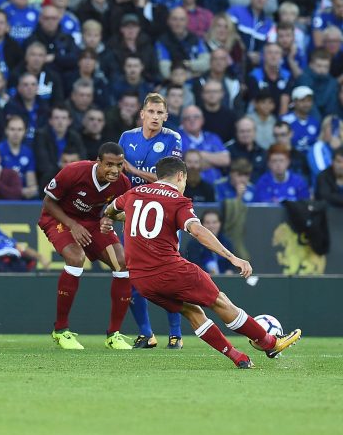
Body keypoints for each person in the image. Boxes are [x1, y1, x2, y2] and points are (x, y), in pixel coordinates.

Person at [104, 155, 302, 369]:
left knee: (192, 311)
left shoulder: (134, 193)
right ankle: (269, 342)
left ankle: (239, 357)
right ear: (181, 176)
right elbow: (197, 230)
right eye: (185, 180)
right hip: (170, 270)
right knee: (220, 302)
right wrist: (231, 256)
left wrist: (120, 218)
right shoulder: (178, 200)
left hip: (141, 281)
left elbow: (111, 210)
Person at [39, 142, 134, 350]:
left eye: (119, 165)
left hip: (91, 223)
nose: (114, 170)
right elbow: (48, 202)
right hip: (59, 220)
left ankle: (114, 335)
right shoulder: (74, 171)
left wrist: (110, 219)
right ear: (98, 162)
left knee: (122, 263)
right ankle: (61, 330)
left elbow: (118, 212)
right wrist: (72, 225)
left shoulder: (123, 183)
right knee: (75, 257)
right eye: (109, 164)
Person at [118, 92, 185, 349]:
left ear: (166, 117)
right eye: (151, 112)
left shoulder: (172, 139)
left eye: (160, 113)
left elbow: (167, 179)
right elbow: (119, 174)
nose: (155, 117)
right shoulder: (127, 137)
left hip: (163, 212)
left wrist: (134, 172)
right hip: (134, 212)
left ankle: (175, 333)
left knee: (169, 274)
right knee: (132, 274)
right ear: (142, 114)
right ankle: (146, 333)